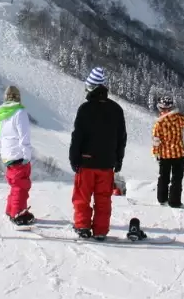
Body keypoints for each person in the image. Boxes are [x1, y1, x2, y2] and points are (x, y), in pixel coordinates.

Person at [69, 67, 127, 241]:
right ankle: (101, 230)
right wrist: (118, 159)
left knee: (82, 196)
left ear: (91, 87)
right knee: (103, 199)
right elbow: (121, 138)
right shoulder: (116, 110)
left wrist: (74, 158)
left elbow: (77, 136)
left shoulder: (85, 109)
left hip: (86, 163)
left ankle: (83, 226)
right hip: (107, 163)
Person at [0, 86, 34, 226]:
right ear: (18, 97)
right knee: (21, 185)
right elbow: (24, 135)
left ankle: (11, 209)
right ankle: (17, 213)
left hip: (7, 155)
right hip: (19, 154)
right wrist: (27, 154)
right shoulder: (19, 112)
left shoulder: (1, 114)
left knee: (14, 184)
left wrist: (4, 152)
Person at [151, 95, 184, 207]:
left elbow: (156, 140)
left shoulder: (158, 123)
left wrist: (155, 153)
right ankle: (174, 201)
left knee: (163, 177)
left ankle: (162, 199)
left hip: (165, 155)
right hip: (179, 153)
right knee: (177, 178)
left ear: (160, 108)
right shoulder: (178, 118)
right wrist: (179, 112)